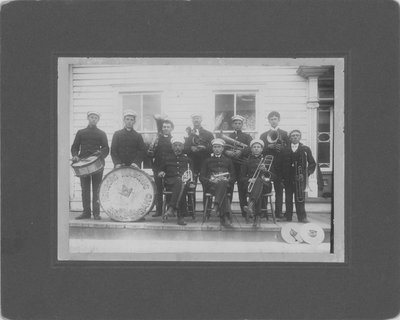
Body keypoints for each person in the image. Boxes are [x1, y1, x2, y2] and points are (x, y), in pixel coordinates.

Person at [71, 111, 109, 220]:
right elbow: (74, 147)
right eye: (92, 117)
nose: (93, 119)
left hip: (97, 164)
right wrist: (75, 156)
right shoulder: (81, 132)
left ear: (98, 120)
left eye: (96, 118)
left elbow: (106, 148)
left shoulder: (102, 133)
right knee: (85, 188)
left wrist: (100, 153)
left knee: (97, 188)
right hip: (83, 164)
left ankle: (96, 213)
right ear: (88, 118)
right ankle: (86, 212)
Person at [278, 129, 316, 223]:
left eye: (297, 135)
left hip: (300, 178)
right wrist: (282, 178)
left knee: (300, 198)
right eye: (293, 135)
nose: (295, 137)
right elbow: (279, 165)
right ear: (290, 138)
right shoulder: (284, 149)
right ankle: (288, 216)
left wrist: (305, 174)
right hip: (287, 178)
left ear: (300, 137)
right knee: (288, 198)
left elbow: (312, 164)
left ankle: (302, 217)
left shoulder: (305, 149)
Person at [259, 111, 290, 219]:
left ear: (279, 120)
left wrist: (282, 148)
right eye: (271, 119)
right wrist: (269, 147)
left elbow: (289, 149)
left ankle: (279, 212)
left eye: (275, 118)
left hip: (281, 166)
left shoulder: (285, 134)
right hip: (268, 165)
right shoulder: (263, 135)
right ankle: (263, 211)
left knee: (279, 189)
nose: (273, 121)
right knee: (265, 187)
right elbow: (260, 150)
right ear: (268, 121)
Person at [158, 136, 194, 226]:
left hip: (185, 182)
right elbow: (161, 170)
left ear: (182, 147)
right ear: (172, 147)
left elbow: (192, 172)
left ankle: (171, 208)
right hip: (170, 182)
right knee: (179, 182)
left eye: (179, 145)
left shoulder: (187, 159)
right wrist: (161, 172)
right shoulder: (166, 158)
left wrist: (190, 178)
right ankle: (180, 217)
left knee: (181, 183)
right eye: (176, 145)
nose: (177, 147)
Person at [200, 138, 236, 227]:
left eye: (219, 147)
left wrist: (228, 180)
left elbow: (234, 176)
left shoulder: (228, 160)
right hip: (212, 186)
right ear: (212, 148)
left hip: (225, 185)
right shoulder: (207, 160)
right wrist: (210, 180)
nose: (217, 149)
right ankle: (225, 218)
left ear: (222, 148)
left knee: (223, 183)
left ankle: (216, 205)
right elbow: (201, 177)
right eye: (215, 147)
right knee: (222, 186)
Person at [223, 115, 252, 217]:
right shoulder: (228, 136)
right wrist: (227, 152)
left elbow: (250, 148)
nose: (237, 125)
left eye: (239, 123)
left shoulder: (247, 137)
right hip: (230, 165)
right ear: (232, 124)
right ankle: (227, 211)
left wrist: (241, 151)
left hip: (242, 166)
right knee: (228, 187)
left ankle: (244, 212)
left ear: (242, 125)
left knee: (242, 188)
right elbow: (223, 148)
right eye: (235, 123)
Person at [241, 139, 275, 226]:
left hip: (266, 185)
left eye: (258, 147)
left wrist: (266, 170)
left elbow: (274, 176)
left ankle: (251, 206)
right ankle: (257, 217)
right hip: (251, 185)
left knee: (259, 181)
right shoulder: (246, 161)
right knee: (258, 185)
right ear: (251, 149)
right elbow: (241, 177)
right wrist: (249, 179)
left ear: (262, 149)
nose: (256, 149)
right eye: (254, 147)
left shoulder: (267, 161)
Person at [184, 113, 214, 208]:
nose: (196, 120)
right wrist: (191, 148)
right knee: (191, 186)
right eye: (194, 119)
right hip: (192, 163)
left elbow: (213, 148)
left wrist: (204, 148)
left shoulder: (208, 134)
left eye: (198, 118)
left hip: (205, 163)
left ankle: (207, 210)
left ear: (201, 120)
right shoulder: (188, 133)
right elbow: (183, 148)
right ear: (192, 120)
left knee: (207, 186)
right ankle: (191, 210)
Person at [148, 119, 175, 217]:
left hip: (170, 168)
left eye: (168, 127)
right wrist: (153, 163)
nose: (166, 128)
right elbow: (151, 153)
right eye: (164, 127)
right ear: (162, 128)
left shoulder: (174, 140)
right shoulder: (157, 139)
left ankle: (169, 209)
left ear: (171, 128)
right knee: (159, 189)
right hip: (158, 167)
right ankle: (158, 210)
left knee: (169, 187)